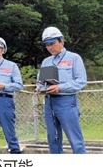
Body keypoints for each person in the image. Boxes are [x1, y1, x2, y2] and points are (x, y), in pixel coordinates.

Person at [37, 26, 87, 154]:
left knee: (74, 138)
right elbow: (40, 81)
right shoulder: (46, 61)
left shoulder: (74, 58)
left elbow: (81, 81)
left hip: (66, 102)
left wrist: (60, 87)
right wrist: (40, 88)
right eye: (47, 45)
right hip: (49, 103)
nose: (49, 47)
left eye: (52, 43)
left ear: (61, 41)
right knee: (52, 137)